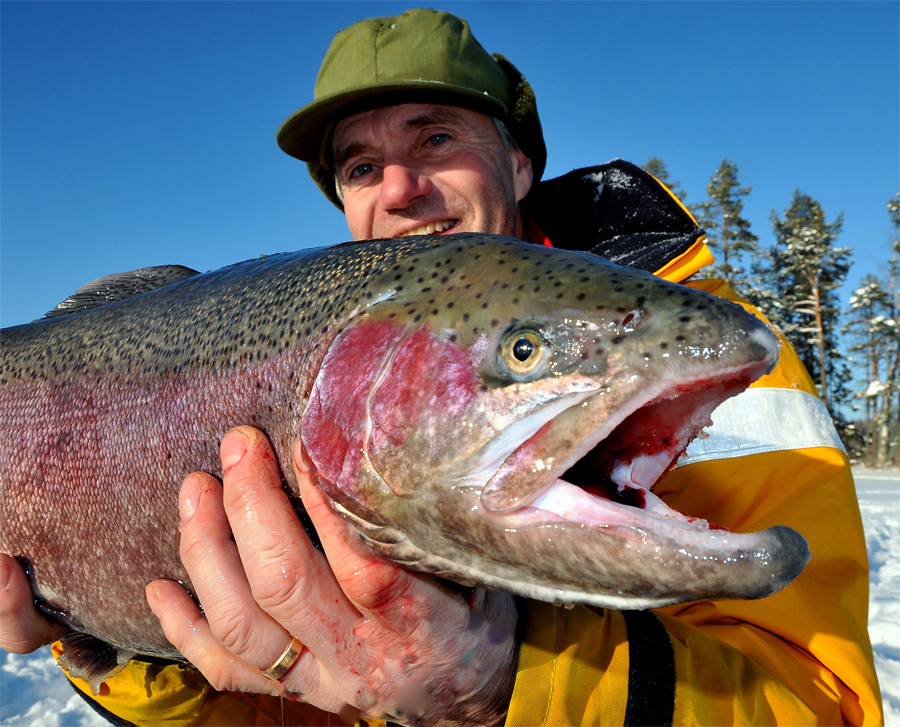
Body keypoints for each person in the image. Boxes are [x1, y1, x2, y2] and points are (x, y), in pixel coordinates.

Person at [1, 8, 883, 726]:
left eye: (435, 140)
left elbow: (819, 702)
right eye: (361, 165)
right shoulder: (316, 370)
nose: (400, 188)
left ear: (520, 159)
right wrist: (115, 653)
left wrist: (503, 678)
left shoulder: (685, 360)